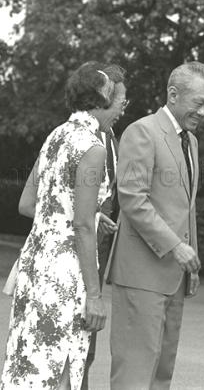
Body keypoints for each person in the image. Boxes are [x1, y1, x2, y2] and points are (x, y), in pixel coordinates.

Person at [1, 62, 128, 390]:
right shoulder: (93, 147)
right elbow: (83, 226)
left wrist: (73, 219)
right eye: (119, 103)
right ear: (102, 98)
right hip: (66, 272)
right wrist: (96, 296)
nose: (120, 112)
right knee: (62, 368)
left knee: (27, 365)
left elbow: (27, 204)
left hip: (35, 263)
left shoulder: (55, 136)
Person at [108, 61, 204, 390]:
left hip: (175, 276)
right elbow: (132, 199)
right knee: (135, 373)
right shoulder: (142, 131)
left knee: (161, 374)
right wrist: (177, 247)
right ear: (173, 94)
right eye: (199, 102)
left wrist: (190, 263)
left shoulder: (191, 141)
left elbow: (186, 206)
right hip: (140, 275)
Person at [81, 85, 122, 390]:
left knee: (87, 342)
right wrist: (94, 219)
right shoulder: (79, 140)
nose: (125, 106)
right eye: (122, 99)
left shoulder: (111, 139)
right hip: (76, 249)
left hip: (100, 249)